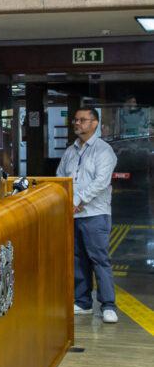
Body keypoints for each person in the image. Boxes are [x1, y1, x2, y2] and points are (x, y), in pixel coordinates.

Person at [56, 107, 119, 323]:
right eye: (76, 120)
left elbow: (101, 182)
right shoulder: (70, 151)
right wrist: (67, 201)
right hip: (73, 215)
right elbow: (60, 177)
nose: (77, 123)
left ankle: (108, 305)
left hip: (95, 214)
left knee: (99, 259)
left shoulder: (104, 151)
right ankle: (82, 303)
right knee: (78, 259)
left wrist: (76, 200)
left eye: (83, 120)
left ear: (95, 123)